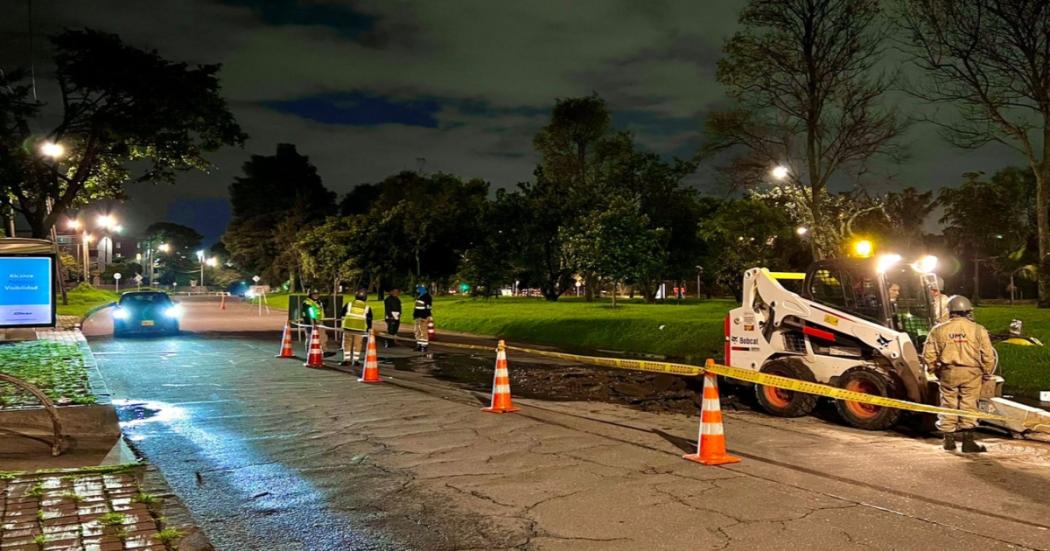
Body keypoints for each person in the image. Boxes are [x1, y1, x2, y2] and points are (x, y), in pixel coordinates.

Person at [921, 295, 995, 453]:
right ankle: (968, 443)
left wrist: (934, 369)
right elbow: (988, 355)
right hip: (972, 373)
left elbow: (928, 354)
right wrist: (987, 372)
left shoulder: (938, 329)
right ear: (968, 311)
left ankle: (948, 441)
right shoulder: (978, 329)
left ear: (950, 311)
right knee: (969, 404)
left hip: (949, 372)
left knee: (948, 403)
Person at [340, 289, 372, 366]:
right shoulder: (367, 307)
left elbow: (342, 314)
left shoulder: (349, 304)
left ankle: (346, 360)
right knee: (357, 344)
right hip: (360, 329)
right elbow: (369, 319)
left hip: (348, 327)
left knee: (347, 344)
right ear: (365, 297)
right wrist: (369, 329)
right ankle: (356, 360)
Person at [413, 284, 433, 352]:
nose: (417, 289)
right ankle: (419, 344)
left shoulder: (426, 297)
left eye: (419, 288)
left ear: (423, 288)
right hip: (418, 317)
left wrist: (424, 317)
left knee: (423, 331)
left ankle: (424, 346)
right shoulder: (420, 296)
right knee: (417, 331)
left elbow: (428, 308)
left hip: (423, 317)